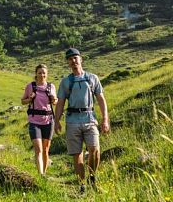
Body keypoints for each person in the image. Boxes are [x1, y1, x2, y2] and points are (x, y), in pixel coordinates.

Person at [53, 48, 110, 193]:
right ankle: (82, 185)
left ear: (81, 59)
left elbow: (101, 99)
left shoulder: (93, 78)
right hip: (72, 121)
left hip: (90, 118)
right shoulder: (66, 82)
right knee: (77, 155)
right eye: (70, 59)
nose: (73, 61)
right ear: (67, 62)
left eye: (75, 58)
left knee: (94, 149)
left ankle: (92, 177)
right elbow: (60, 103)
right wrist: (57, 121)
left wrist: (105, 119)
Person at [21, 64, 58, 176]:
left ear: (47, 74)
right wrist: (30, 98)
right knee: (38, 149)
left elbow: (55, 102)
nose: (42, 75)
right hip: (34, 121)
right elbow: (23, 101)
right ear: (36, 74)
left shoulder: (51, 86)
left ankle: (44, 174)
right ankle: (40, 174)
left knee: (46, 150)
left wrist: (53, 99)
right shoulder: (30, 86)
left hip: (48, 120)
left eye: (44, 73)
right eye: (39, 73)